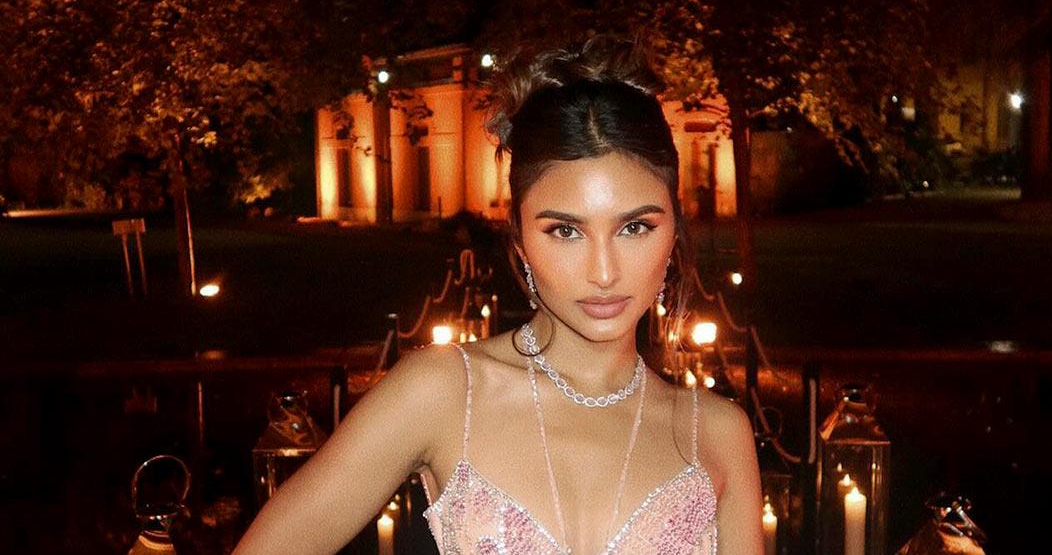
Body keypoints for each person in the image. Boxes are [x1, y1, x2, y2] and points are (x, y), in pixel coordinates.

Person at [233, 36, 763, 554]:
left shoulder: (717, 434)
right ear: (519, 236)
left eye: (634, 228)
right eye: (565, 231)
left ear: (673, 231)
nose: (604, 272)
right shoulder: (444, 391)